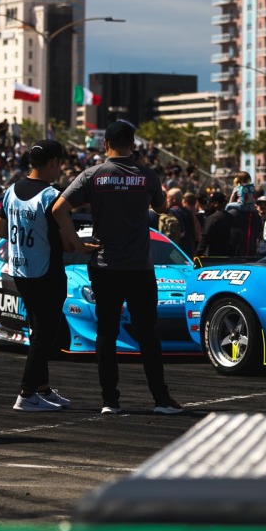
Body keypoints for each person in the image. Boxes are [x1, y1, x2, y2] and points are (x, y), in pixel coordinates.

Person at [53, 120, 183, 416]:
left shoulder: (93, 175)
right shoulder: (147, 176)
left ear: (105, 144)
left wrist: (76, 243)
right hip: (139, 267)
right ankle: (161, 399)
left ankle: (110, 401)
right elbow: (162, 208)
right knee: (148, 334)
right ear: (133, 144)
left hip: (104, 265)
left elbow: (59, 209)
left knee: (106, 334)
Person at [0, 140, 77, 412]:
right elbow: (67, 244)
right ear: (53, 162)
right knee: (45, 334)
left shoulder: (10, 191)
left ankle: (42, 388)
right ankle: (26, 393)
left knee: (37, 329)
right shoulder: (51, 196)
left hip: (21, 269)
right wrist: (85, 246)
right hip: (47, 271)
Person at [198, 191, 236, 257]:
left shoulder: (212, 219)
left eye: (210, 202)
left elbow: (204, 240)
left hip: (212, 258)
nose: (208, 204)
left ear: (216, 204)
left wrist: (196, 256)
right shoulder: (231, 218)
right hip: (229, 258)